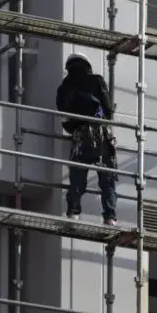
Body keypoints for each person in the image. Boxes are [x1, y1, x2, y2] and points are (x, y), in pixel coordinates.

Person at [56, 52, 119, 225]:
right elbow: (107, 108)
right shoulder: (96, 80)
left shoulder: (63, 88)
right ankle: (110, 216)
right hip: (101, 135)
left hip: (80, 138)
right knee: (107, 180)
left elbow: (64, 119)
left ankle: (73, 213)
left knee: (77, 179)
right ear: (87, 65)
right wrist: (101, 118)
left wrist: (76, 126)